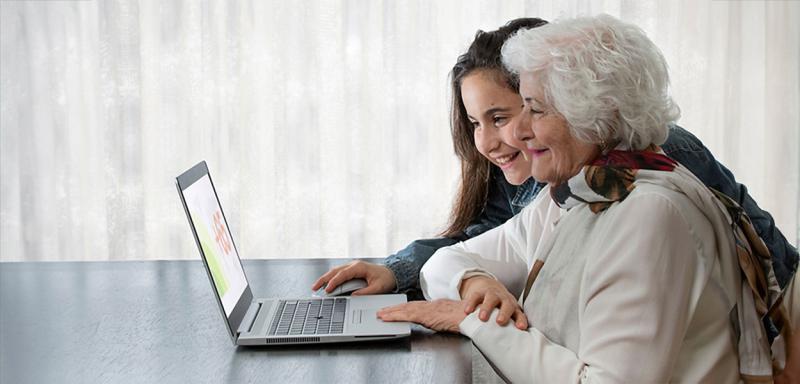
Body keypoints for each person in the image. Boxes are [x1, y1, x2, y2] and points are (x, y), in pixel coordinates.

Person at [311, 17, 799, 329]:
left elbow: (763, 275)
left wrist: (471, 320)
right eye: (475, 123)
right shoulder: (553, 178)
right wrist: (404, 271)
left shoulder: (648, 169)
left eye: (506, 115)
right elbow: (483, 240)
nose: (487, 141)